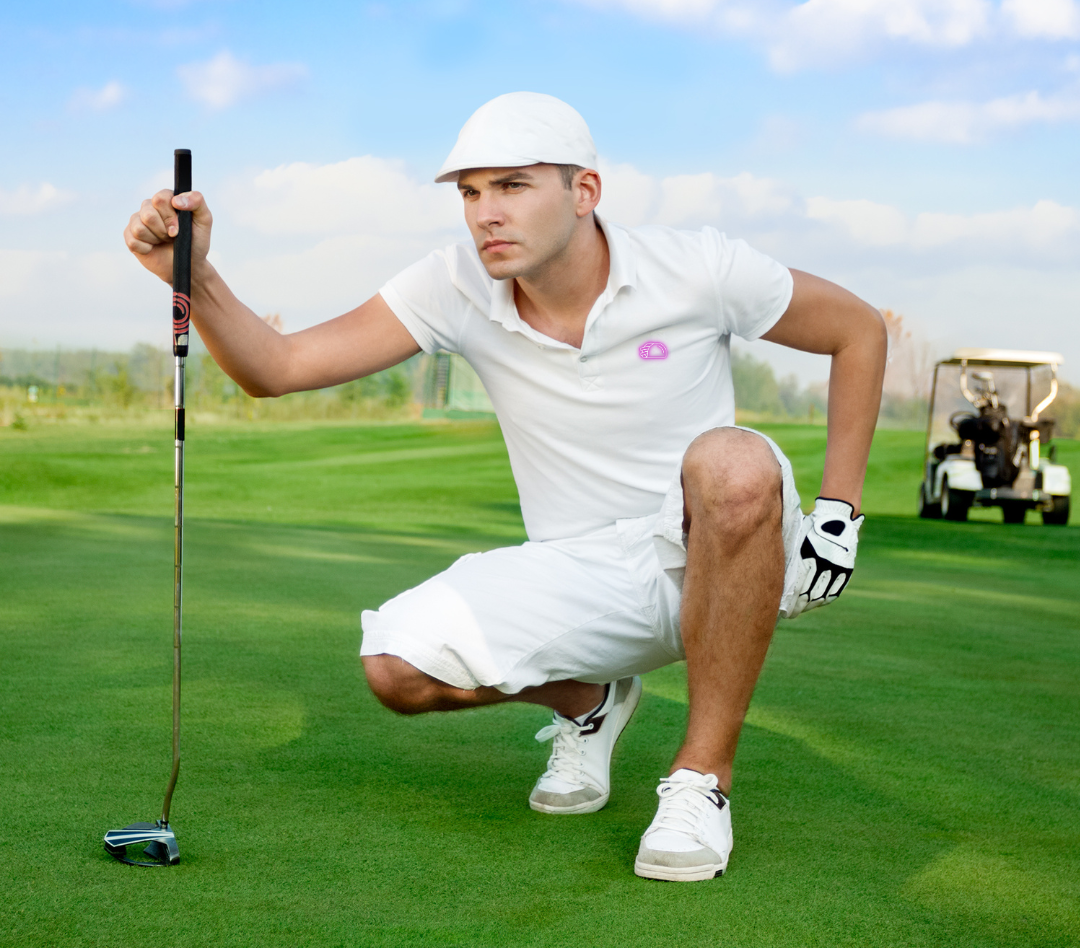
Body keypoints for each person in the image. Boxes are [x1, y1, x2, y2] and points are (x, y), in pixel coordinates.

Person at [124, 92, 887, 881]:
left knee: (732, 459)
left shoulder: (698, 266)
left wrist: (838, 511)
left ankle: (700, 782)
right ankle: (587, 702)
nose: (486, 212)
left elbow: (855, 329)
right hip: (579, 572)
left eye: (513, 186)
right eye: (470, 192)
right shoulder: (451, 283)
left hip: (717, 554)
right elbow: (276, 369)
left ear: (584, 192)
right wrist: (196, 275)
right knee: (395, 663)